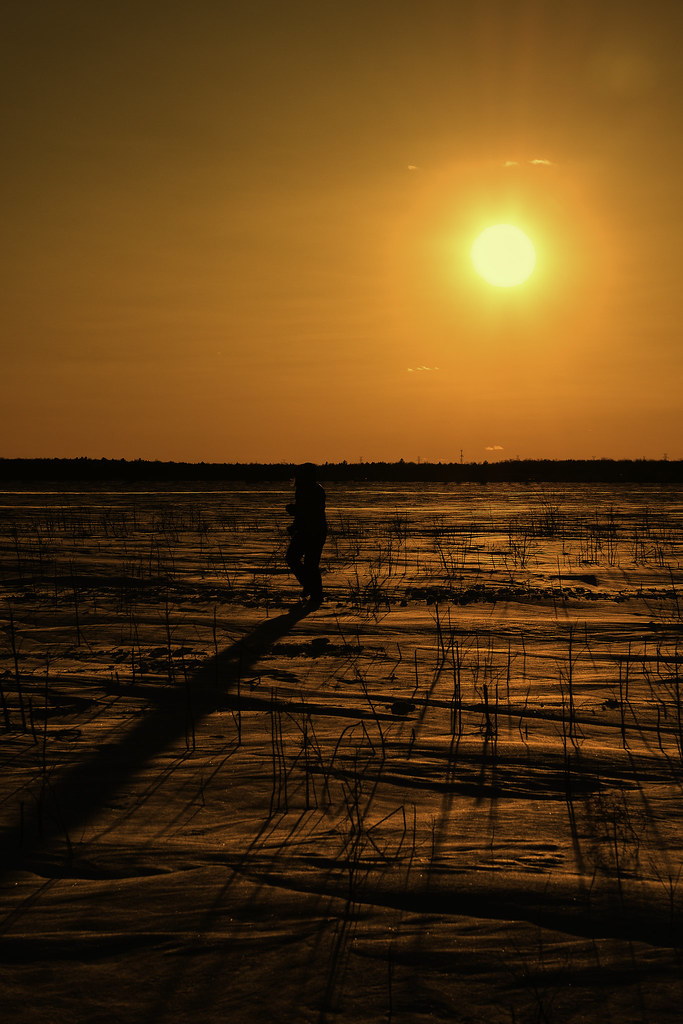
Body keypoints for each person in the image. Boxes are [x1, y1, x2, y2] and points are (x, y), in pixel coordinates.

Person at [285, 463, 327, 605]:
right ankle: (314, 591)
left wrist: (294, 511)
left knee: (306, 562)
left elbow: (310, 511)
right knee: (298, 560)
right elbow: (305, 512)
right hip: (310, 530)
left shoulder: (314, 490)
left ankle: (314, 592)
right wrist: (295, 524)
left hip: (313, 532)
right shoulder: (307, 489)